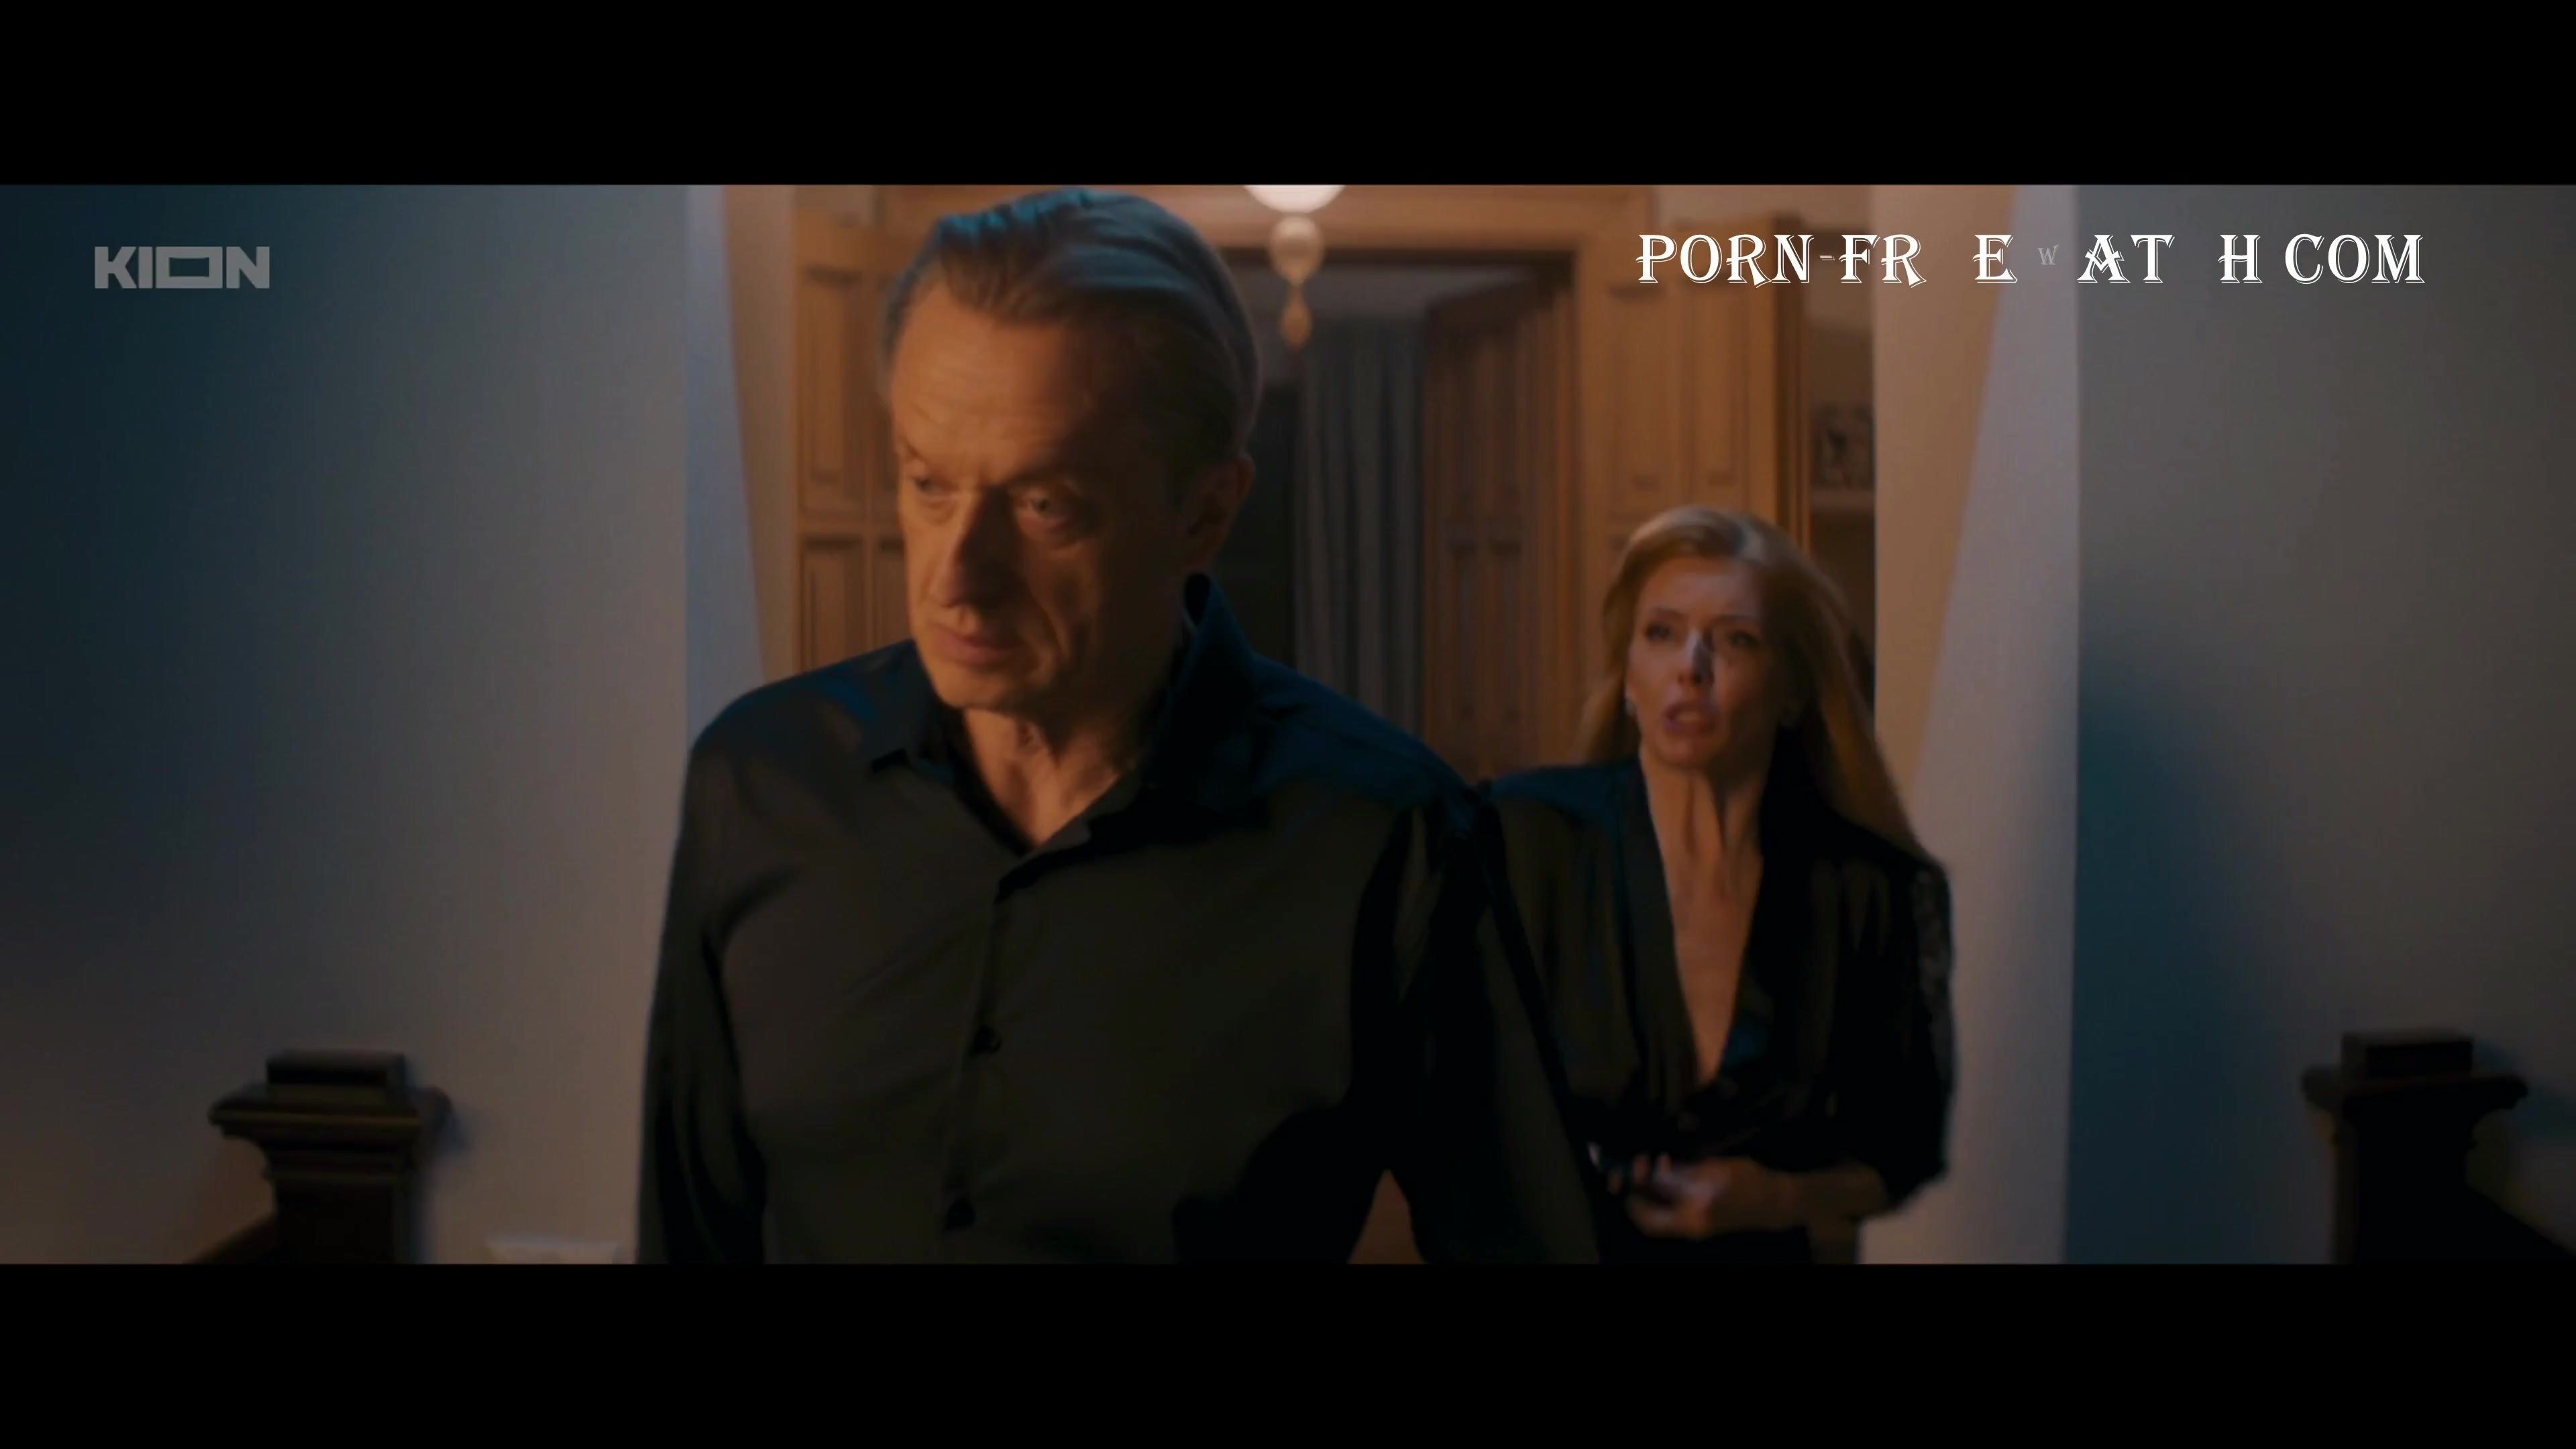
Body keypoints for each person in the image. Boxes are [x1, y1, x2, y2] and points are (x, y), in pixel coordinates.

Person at [635, 187, 1599, 1263]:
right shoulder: (761, 783)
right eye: (928, 483)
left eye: (1043, 504)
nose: (957, 578)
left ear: (1205, 512)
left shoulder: (1390, 842)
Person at [1485, 505, 1955, 1263]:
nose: (1691, 667)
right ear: (1630, 676)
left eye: (1736, 640)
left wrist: (1780, 1198)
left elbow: (1904, 1150)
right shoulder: (1526, 840)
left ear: (1792, 690)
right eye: (1661, 633)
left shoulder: (1869, 889)